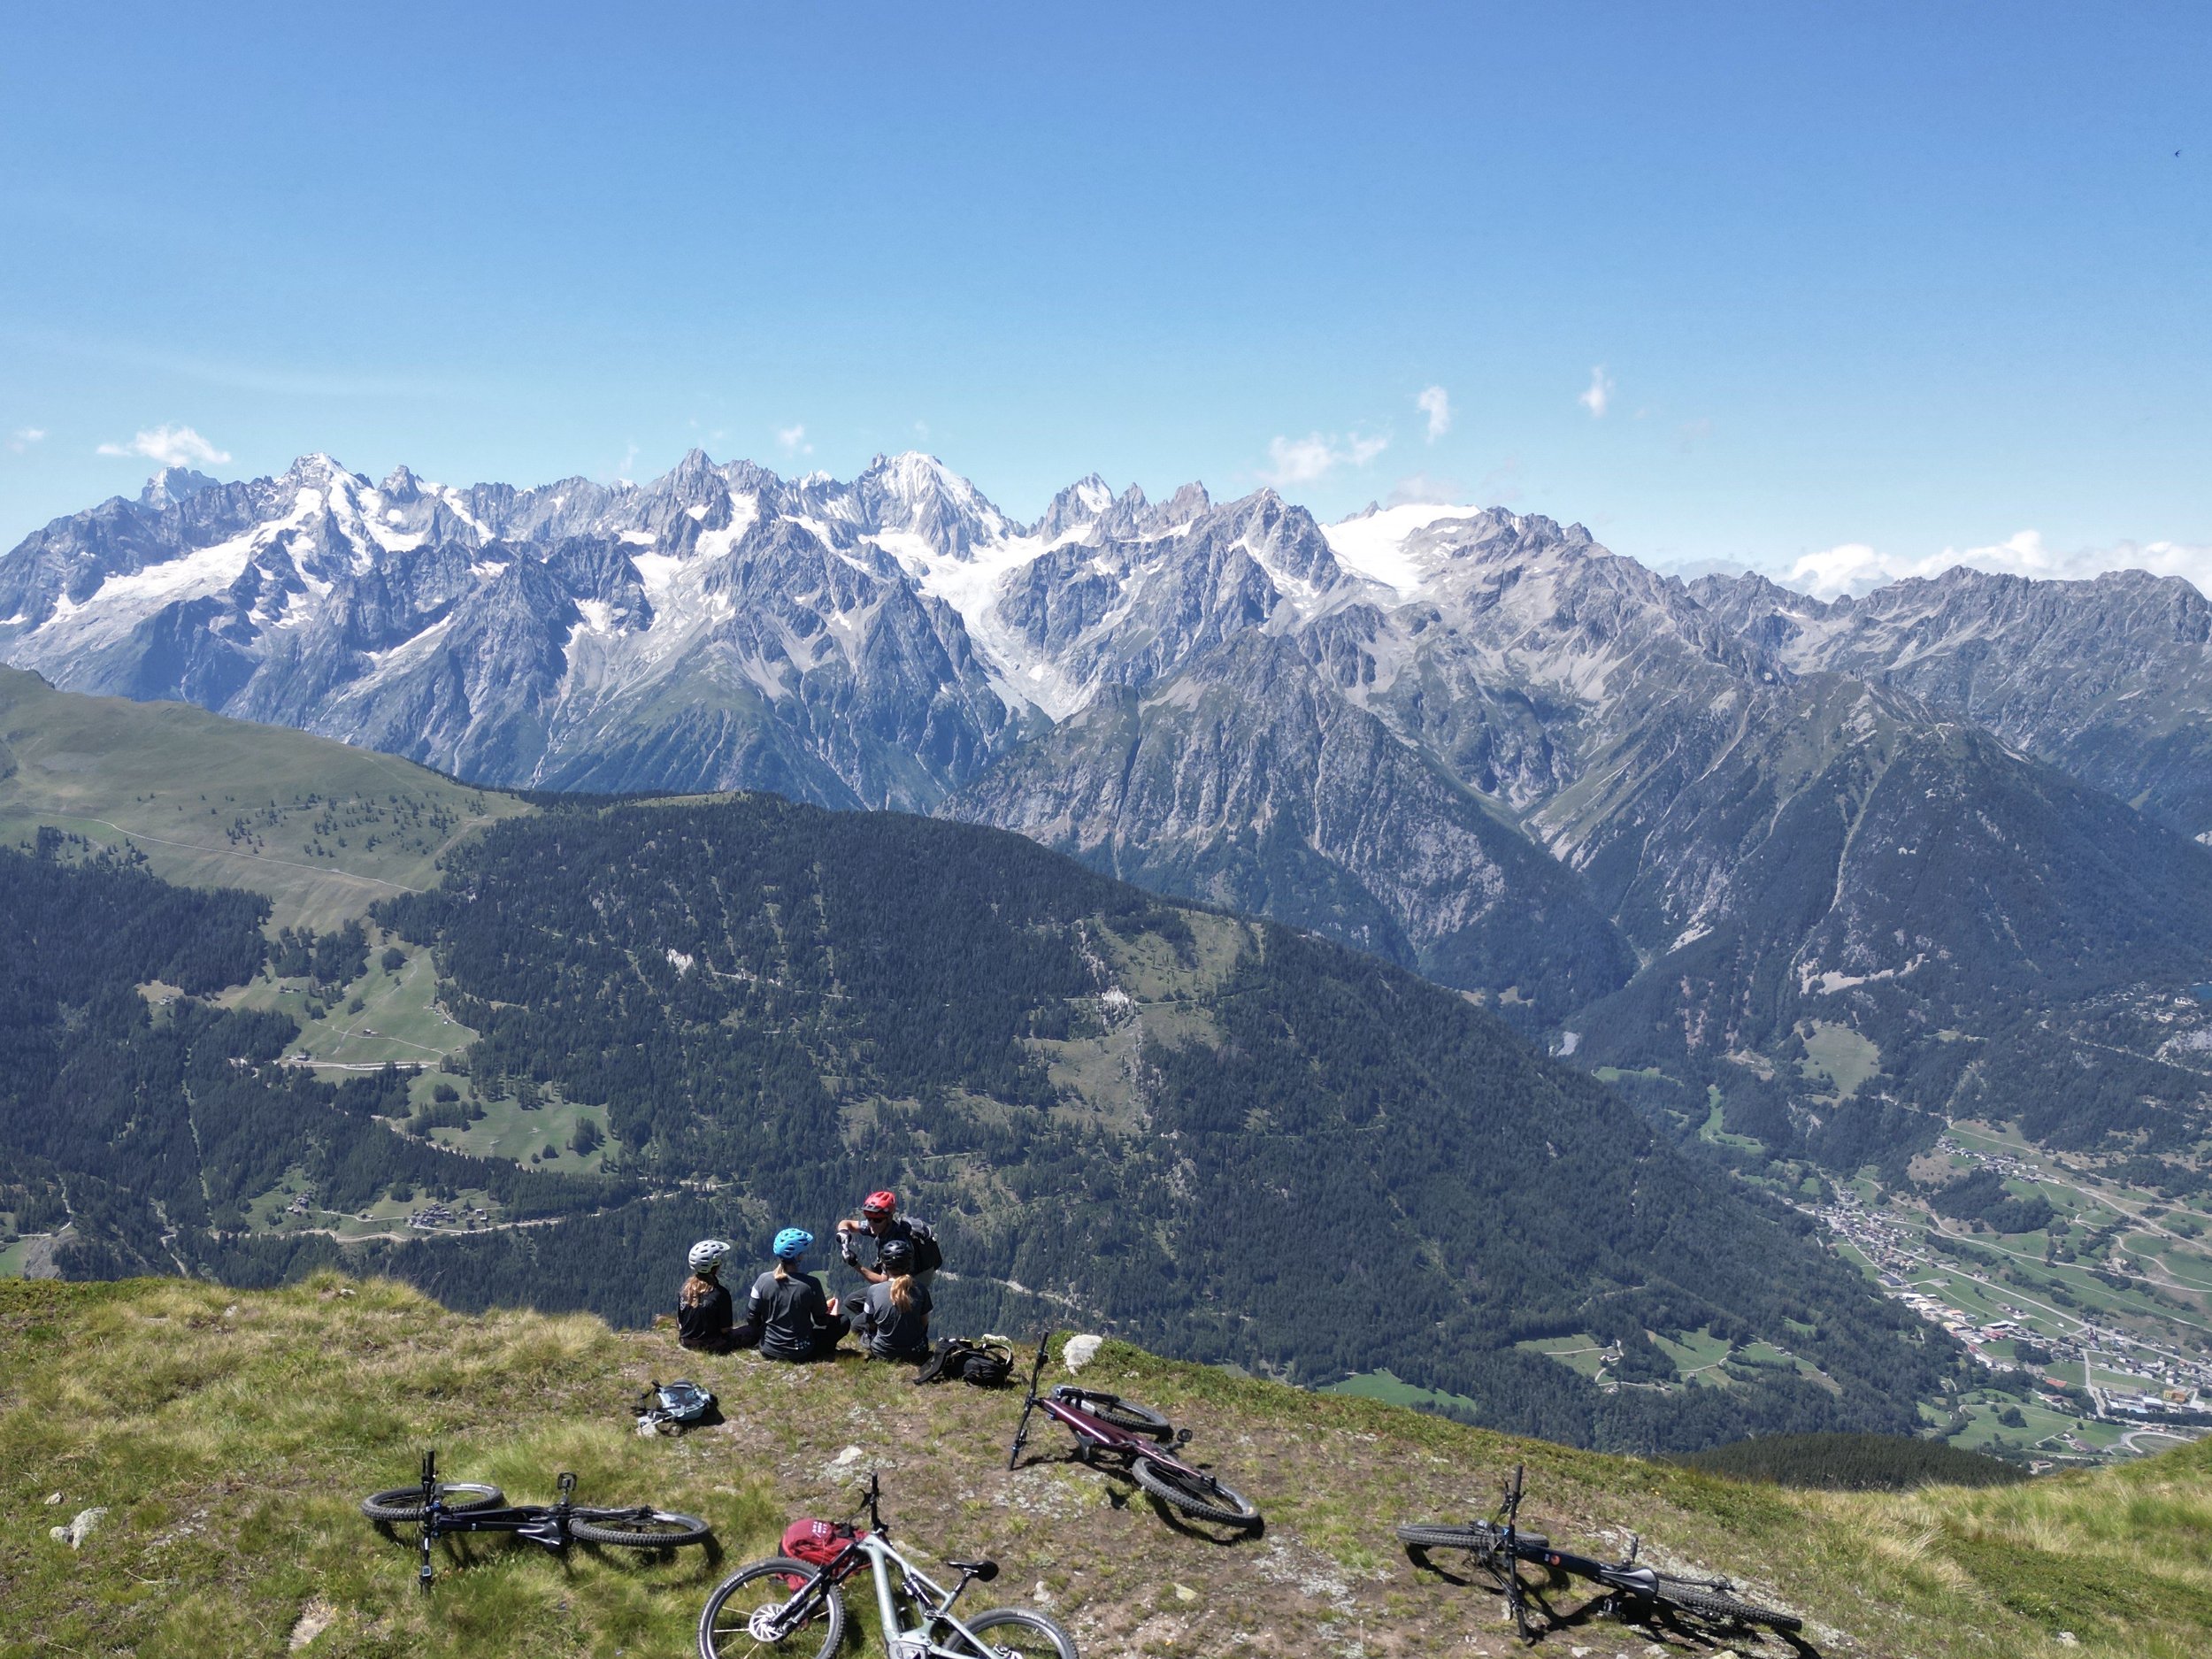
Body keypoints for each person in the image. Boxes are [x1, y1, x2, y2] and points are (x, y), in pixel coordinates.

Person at [735, 1227, 849, 1362]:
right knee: (843, 1321)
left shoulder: (762, 1280)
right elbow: (820, 1320)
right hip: (801, 1352)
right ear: (798, 1256)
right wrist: (830, 1315)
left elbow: (752, 1317)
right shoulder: (811, 1284)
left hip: (768, 1349)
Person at [836, 1189, 941, 1289]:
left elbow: (884, 1281)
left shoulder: (898, 1244)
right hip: (903, 1277)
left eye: (877, 1220)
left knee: (856, 1301)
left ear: (889, 1218)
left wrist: (856, 1265)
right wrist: (844, 1232)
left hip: (912, 1283)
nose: (872, 1224)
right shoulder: (880, 1226)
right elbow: (846, 1223)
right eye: (869, 1218)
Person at [853, 1236, 933, 1362]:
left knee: (858, 1326)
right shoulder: (921, 1289)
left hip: (883, 1351)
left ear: (884, 1265)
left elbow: (870, 1323)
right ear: (909, 1263)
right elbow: (924, 1323)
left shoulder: (874, 1290)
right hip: (915, 1352)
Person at [676, 1238, 743, 1353]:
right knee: (751, 1332)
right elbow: (725, 1329)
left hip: (685, 1342)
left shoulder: (685, 1290)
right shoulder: (720, 1294)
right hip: (712, 1345)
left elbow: (679, 1322)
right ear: (715, 1267)